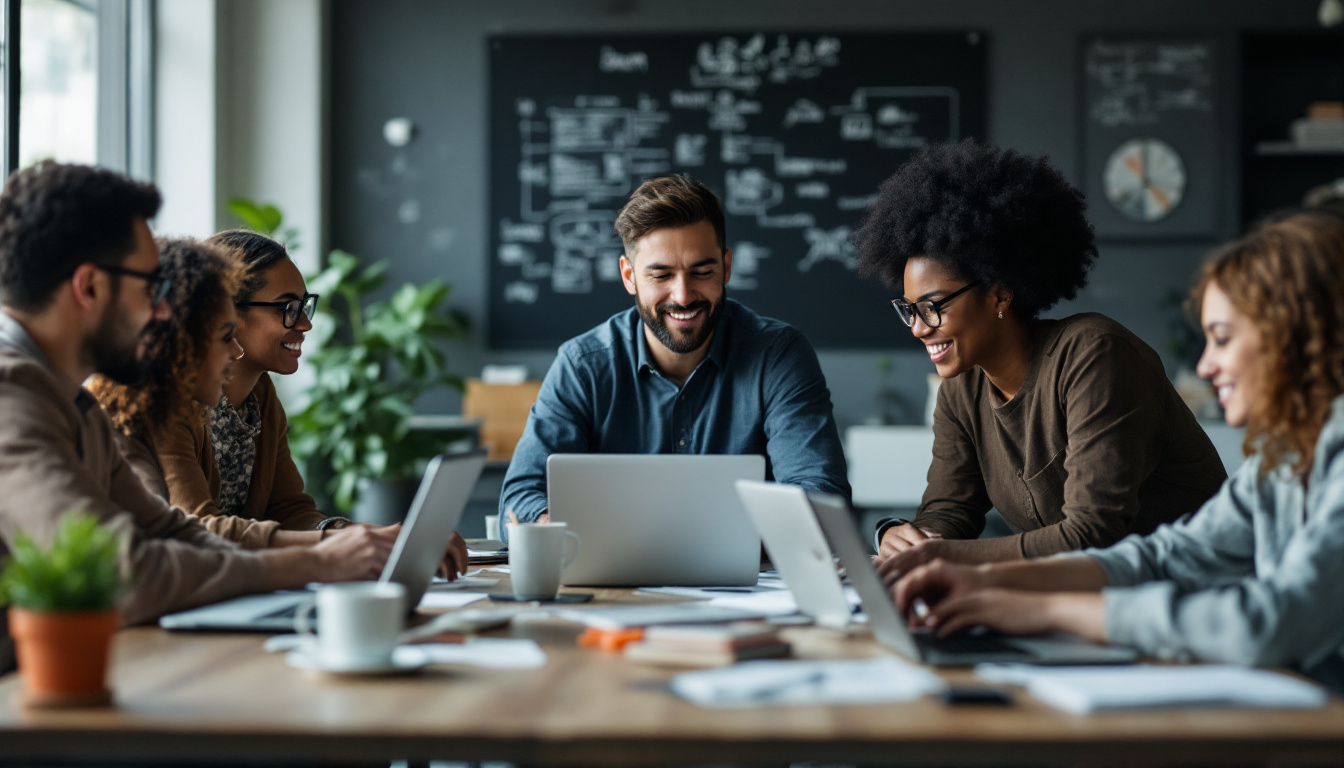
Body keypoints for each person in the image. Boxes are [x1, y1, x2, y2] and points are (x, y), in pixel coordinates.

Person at [893, 211, 1344, 691]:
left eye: (1222, 339)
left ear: (1297, 339)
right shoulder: (1282, 460)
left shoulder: (1093, 352)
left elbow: (1269, 624)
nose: (1205, 366)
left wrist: (1038, 607)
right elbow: (1161, 558)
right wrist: (979, 583)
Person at [0, 162, 393, 671]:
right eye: (151, 289)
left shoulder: (72, 402)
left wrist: (335, 550)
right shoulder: (12, 394)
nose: (166, 314)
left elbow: (169, 529)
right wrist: (315, 560)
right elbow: (117, 571)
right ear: (89, 288)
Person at [850, 141, 1226, 575]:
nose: (919, 327)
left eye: (934, 306)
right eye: (910, 310)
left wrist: (940, 557)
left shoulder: (1095, 354)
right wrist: (903, 537)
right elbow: (949, 514)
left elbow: (1091, 533)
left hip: (1195, 590)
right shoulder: (960, 390)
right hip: (1093, 594)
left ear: (999, 294)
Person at [499, 174, 849, 523]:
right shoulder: (583, 366)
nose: (682, 296)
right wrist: (561, 530)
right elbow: (519, 498)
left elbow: (822, 493)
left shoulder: (778, 356)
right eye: (661, 275)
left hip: (746, 575)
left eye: (701, 271)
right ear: (628, 276)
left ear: (726, 267)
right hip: (612, 576)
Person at [149, 229, 467, 572]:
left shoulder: (261, 396)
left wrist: (367, 537)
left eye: (304, 307)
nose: (305, 324)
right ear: (228, 311)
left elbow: (289, 510)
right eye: (287, 308)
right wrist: (336, 544)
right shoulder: (169, 400)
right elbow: (198, 527)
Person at [88, 237, 246, 505]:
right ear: (181, 342)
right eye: (225, 337)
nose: (237, 351)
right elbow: (190, 530)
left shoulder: (172, 411)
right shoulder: (124, 431)